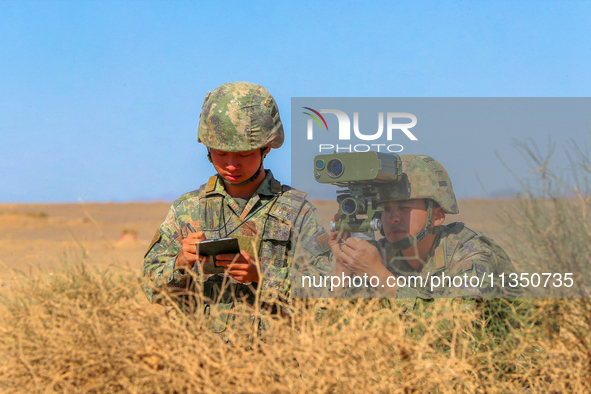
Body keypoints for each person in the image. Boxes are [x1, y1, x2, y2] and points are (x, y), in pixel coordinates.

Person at [142, 82, 331, 324]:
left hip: (275, 356)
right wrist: (180, 263)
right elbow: (152, 289)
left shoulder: (296, 211)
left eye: (244, 154)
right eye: (221, 153)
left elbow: (327, 294)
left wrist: (262, 276)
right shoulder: (187, 210)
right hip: (203, 358)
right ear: (208, 149)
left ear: (266, 149)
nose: (232, 164)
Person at [330, 154, 518, 299]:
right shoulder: (379, 254)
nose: (392, 218)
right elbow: (331, 330)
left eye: (404, 207)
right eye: (385, 209)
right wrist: (343, 267)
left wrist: (381, 277)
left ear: (436, 216)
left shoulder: (471, 255)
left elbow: (457, 331)